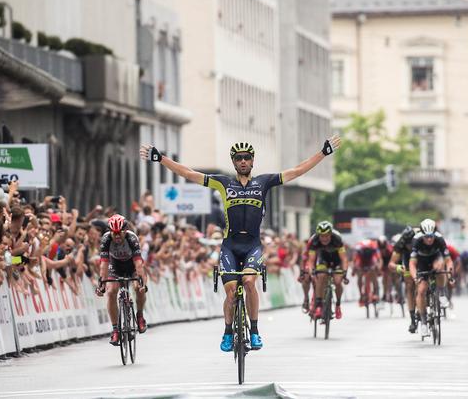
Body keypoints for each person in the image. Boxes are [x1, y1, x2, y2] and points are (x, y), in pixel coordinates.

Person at [140, 135, 340, 352]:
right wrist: (160, 158)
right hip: (230, 246)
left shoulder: (263, 182)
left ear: (252, 160)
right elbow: (189, 173)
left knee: (249, 282)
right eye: (238, 158)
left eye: (246, 158)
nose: (243, 161)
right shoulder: (223, 183)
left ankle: (254, 331)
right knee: (231, 290)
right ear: (233, 162)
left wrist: (323, 153)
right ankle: (227, 331)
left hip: (252, 244)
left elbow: (297, 171)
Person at [95, 214, 148, 346]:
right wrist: (101, 284)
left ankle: (140, 316)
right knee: (111, 291)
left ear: (125, 230)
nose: (117, 236)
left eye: (120, 233)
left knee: (138, 288)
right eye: (114, 233)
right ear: (110, 231)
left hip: (132, 264)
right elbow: (103, 265)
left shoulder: (132, 238)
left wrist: (142, 282)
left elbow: (139, 264)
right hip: (115, 265)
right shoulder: (106, 239)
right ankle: (115, 330)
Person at [409, 219, 453, 338]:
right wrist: (415, 278)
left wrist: (450, 273)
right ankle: (423, 322)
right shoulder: (416, 240)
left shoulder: (439, 239)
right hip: (421, 261)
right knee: (421, 290)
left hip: (435, 258)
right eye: (426, 237)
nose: (429, 239)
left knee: (439, 267)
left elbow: (448, 260)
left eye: (431, 236)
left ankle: (442, 294)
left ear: (435, 234)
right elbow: (412, 264)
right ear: (422, 235)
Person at [306, 221, 348, 320]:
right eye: (322, 236)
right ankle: (319, 305)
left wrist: (344, 272)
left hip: (336, 260)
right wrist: (311, 271)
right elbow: (311, 260)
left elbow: (344, 259)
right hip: (323, 260)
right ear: (318, 235)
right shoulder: (314, 240)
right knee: (321, 276)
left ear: (330, 234)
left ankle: (338, 304)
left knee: (338, 281)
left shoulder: (337, 239)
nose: (324, 238)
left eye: (326, 236)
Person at [389, 226, 417, 332]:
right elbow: (391, 264)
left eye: (411, 244)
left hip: (421, 259)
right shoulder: (400, 244)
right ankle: (413, 319)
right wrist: (398, 267)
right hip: (407, 261)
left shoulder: (419, 239)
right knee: (409, 286)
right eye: (407, 244)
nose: (409, 246)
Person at [354, 238, 381, 305]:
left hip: (371, 261)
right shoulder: (359, 249)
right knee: (359, 276)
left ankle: (375, 293)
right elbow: (355, 261)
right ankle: (361, 294)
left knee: (374, 273)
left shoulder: (374, 247)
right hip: (361, 261)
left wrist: (378, 269)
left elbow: (379, 259)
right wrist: (354, 270)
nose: (367, 251)